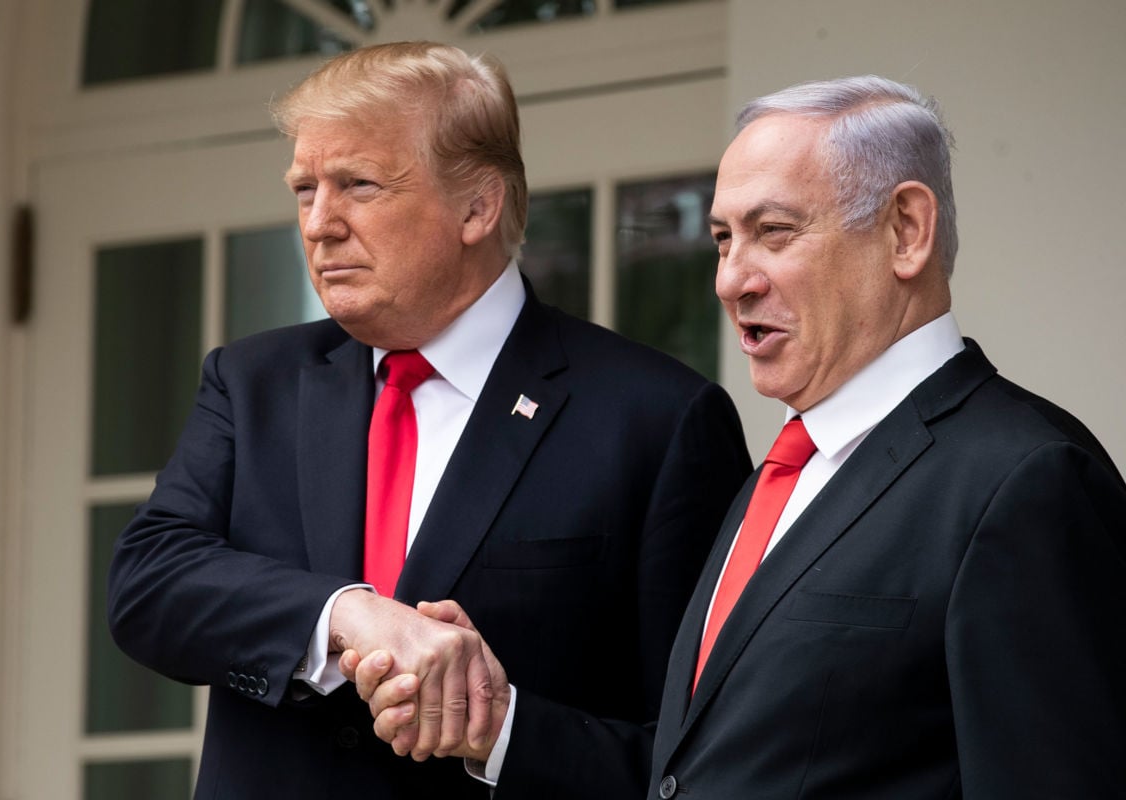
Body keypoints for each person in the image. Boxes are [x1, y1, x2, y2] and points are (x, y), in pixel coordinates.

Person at [106, 41, 751, 799]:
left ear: (478, 205)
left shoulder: (659, 419)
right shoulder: (253, 382)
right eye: (304, 188)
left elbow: (701, 756)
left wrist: (500, 729)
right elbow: (148, 584)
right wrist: (347, 617)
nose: (318, 224)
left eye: (358, 185)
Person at [638, 75, 1126, 798]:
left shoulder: (1027, 479)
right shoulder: (781, 472)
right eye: (722, 238)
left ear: (906, 231)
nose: (730, 279)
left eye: (772, 231)